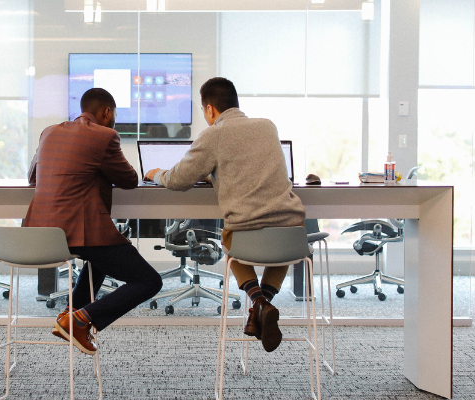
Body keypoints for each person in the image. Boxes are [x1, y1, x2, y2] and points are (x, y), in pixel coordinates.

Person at [144, 77, 306, 352]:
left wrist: (155, 173)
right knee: (281, 241)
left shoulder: (213, 134)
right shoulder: (267, 126)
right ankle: (263, 306)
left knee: (229, 242)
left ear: (209, 109)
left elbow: (179, 180)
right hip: (291, 234)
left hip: (245, 234)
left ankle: (259, 304)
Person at [24, 88, 163, 355]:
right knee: (149, 281)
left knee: (100, 254)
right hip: (77, 231)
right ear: (107, 112)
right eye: (115, 116)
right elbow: (129, 180)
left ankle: (72, 311)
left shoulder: (49, 132)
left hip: (39, 233)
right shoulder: (105, 135)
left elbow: (33, 178)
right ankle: (80, 319)